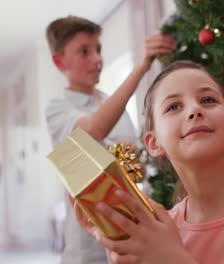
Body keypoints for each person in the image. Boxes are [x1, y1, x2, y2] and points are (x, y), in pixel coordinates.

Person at [75, 60, 224, 263]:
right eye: (174, 106)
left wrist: (170, 258)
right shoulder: (161, 229)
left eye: (207, 100)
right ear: (154, 143)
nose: (195, 110)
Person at [45, 15, 176, 264]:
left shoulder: (112, 104)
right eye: (84, 51)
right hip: (89, 248)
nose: (97, 59)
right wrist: (141, 67)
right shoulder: (57, 109)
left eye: (98, 49)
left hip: (135, 238)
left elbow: (137, 172)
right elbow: (92, 130)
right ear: (59, 61)